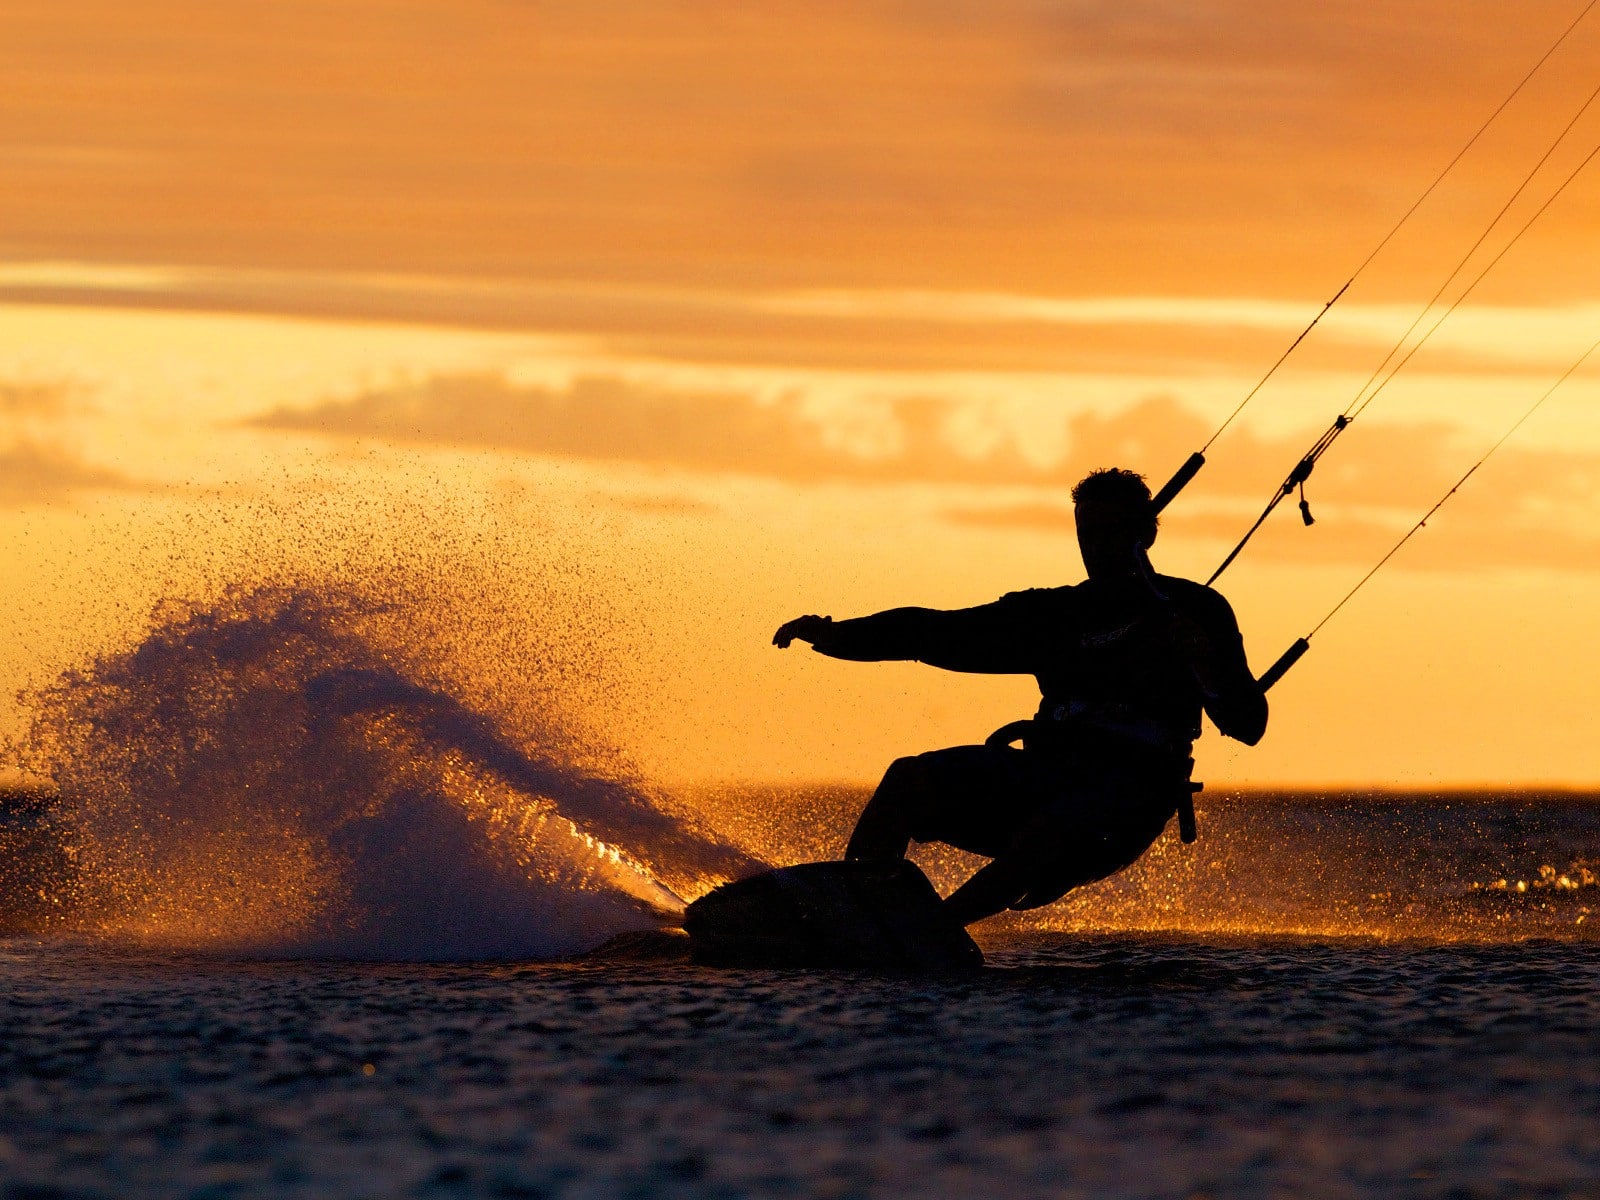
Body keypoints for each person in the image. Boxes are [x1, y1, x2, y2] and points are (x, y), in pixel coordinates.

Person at [772, 467, 1267, 927]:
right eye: (1087, 533)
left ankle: (930, 931)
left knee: (1053, 825)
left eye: (1113, 532)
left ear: (1147, 534)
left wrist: (1203, 661)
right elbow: (930, 631)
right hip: (1045, 778)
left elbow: (1249, 725)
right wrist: (833, 635)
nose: (1097, 547)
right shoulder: (1055, 614)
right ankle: (856, 913)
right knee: (909, 778)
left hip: (1128, 802)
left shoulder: (1196, 611)